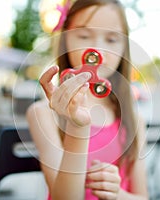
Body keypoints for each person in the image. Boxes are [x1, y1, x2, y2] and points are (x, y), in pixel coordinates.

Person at [26, 0, 149, 199]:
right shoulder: (43, 113)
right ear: (65, 40)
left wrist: (117, 194)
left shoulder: (134, 121)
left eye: (111, 39)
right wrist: (77, 126)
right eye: (84, 36)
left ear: (124, 48)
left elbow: (142, 196)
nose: (97, 50)